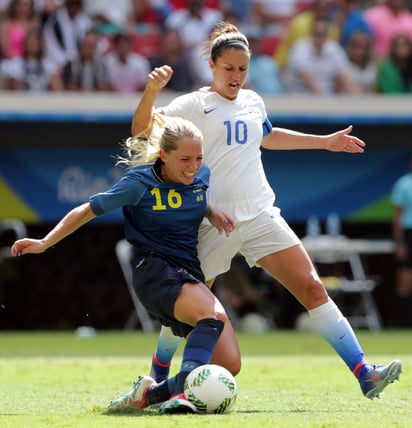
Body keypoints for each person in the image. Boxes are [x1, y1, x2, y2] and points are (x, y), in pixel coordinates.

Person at [125, 21, 402, 403]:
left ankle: (364, 373)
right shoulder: (191, 105)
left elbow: (268, 137)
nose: (236, 76)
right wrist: (151, 90)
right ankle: (154, 379)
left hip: (259, 216)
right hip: (213, 224)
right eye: (229, 68)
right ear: (212, 66)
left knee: (312, 287)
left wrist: (326, 142)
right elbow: (141, 130)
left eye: (242, 69)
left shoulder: (254, 101)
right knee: (189, 308)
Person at [10, 114, 236, 414]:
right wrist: (44, 242)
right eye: (185, 159)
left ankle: (150, 394)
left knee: (229, 365)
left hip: (187, 270)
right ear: (163, 156)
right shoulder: (138, 182)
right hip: (154, 270)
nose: (194, 166)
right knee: (211, 316)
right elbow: (86, 210)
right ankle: (183, 397)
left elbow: (192, 196)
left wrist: (211, 212)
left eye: (198, 157)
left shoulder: (201, 176)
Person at [282, 18, 358, 94]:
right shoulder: (299, 48)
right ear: (311, 34)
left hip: (326, 98)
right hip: (299, 98)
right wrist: (325, 102)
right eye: (317, 34)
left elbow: (345, 76)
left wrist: (357, 97)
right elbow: (309, 79)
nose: (319, 38)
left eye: (322, 34)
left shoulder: (334, 49)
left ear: (326, 35)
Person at [391, 153, 412, 327]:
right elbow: (397, 216)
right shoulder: (403, 184)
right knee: (405, 281)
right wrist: (399, 242)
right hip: (408, 233)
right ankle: (402, 324)